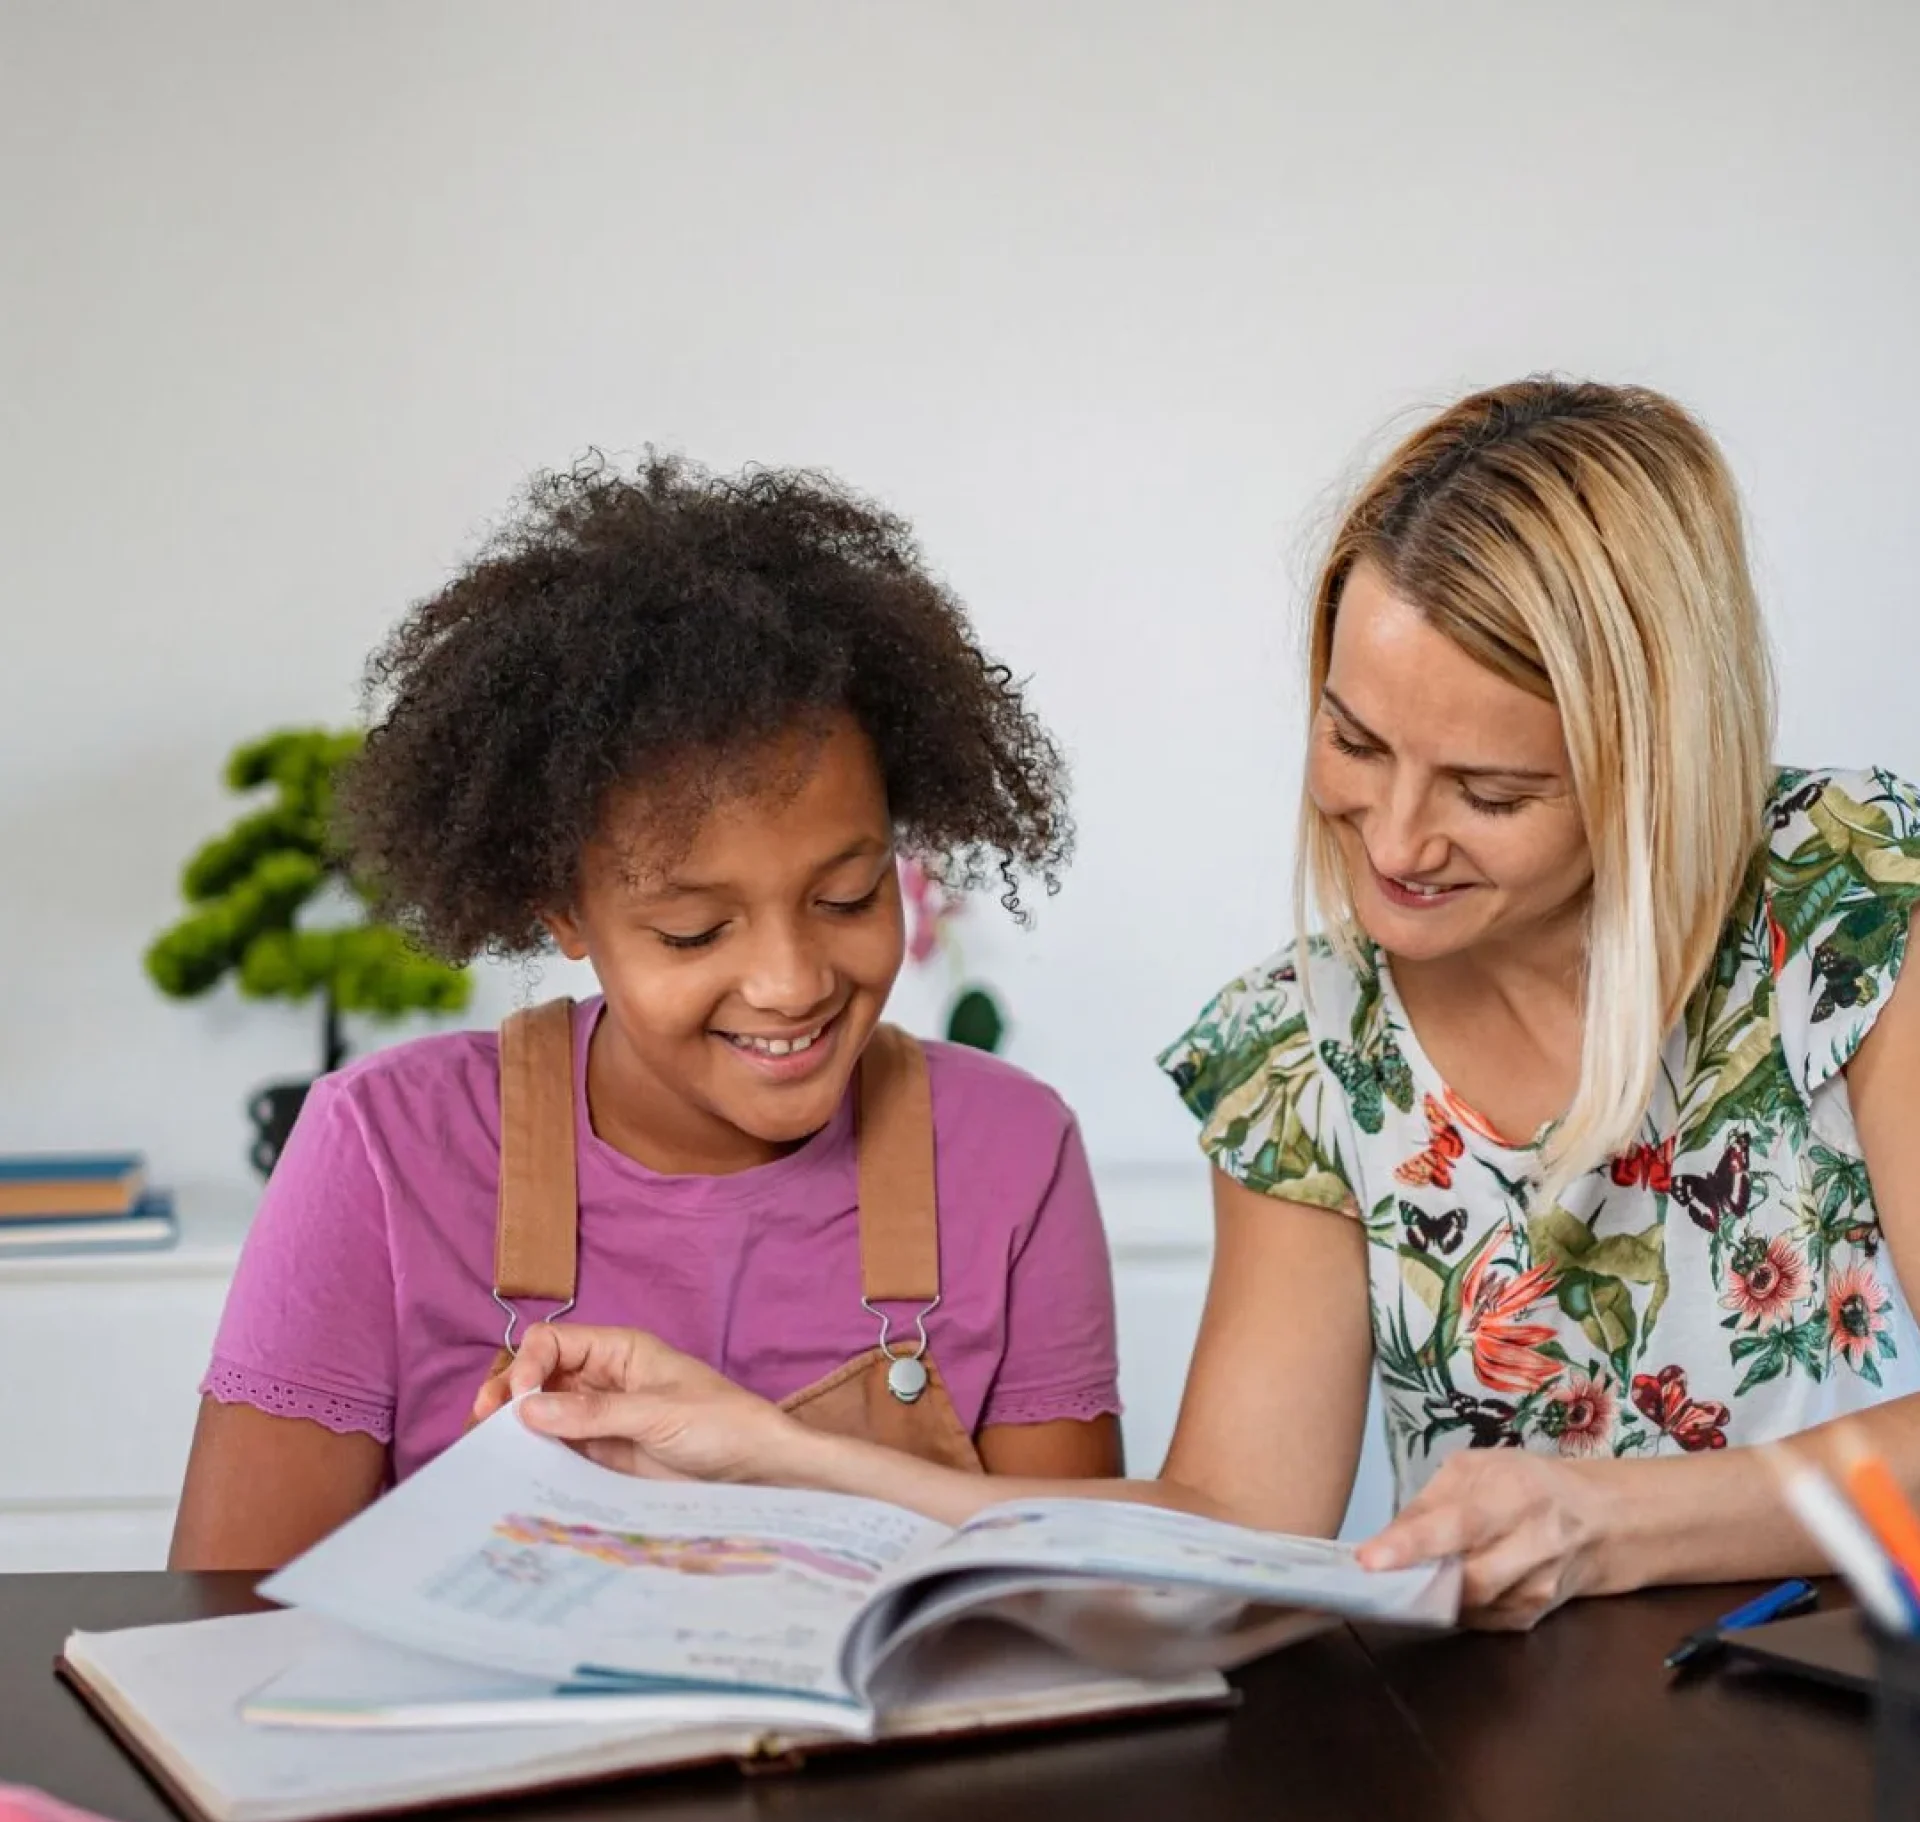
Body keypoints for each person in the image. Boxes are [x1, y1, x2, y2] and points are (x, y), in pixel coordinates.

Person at [476, 380, 1920, 1630]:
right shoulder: (1309, 1055)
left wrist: (1616, 1525)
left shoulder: (1854, 899)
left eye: (1492, 793)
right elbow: (1224, 1539)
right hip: (1529, 1771)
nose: (1398, 839)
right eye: (1354, 741)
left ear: (1654, 766)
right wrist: (757, 1451)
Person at [169, 455, 1123, 1572]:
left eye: (846, 897)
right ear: (562, 909)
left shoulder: (1011, 1154)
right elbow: (225, 1637)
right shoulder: (384, 1153)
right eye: (693, 931)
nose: (790, 982)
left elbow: (1080, 1613)